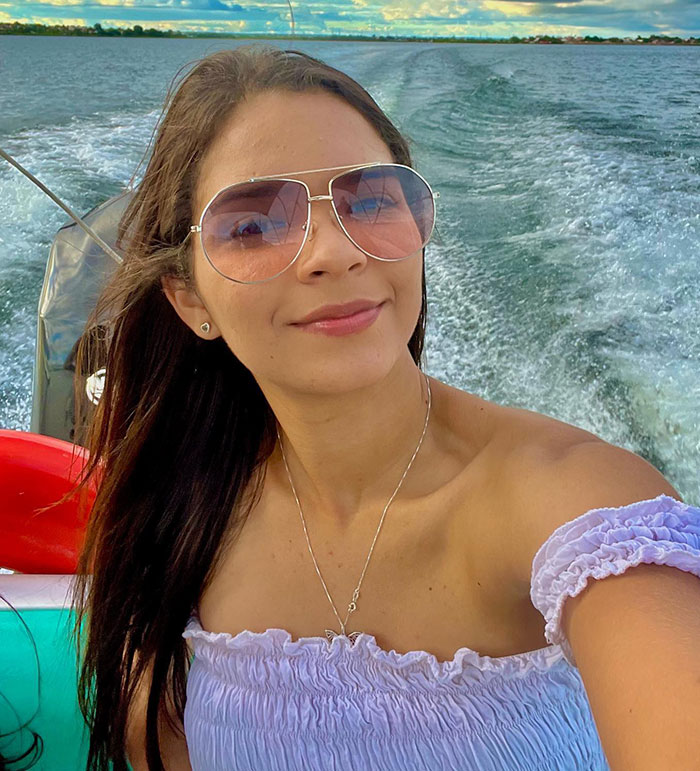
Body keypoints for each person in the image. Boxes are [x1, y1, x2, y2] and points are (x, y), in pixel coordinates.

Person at [69, 44, 700, 771]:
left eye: (369, 200)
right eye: (251, 225)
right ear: (188, 299)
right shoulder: (181, 517)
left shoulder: (578, 503)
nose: (333, 253)